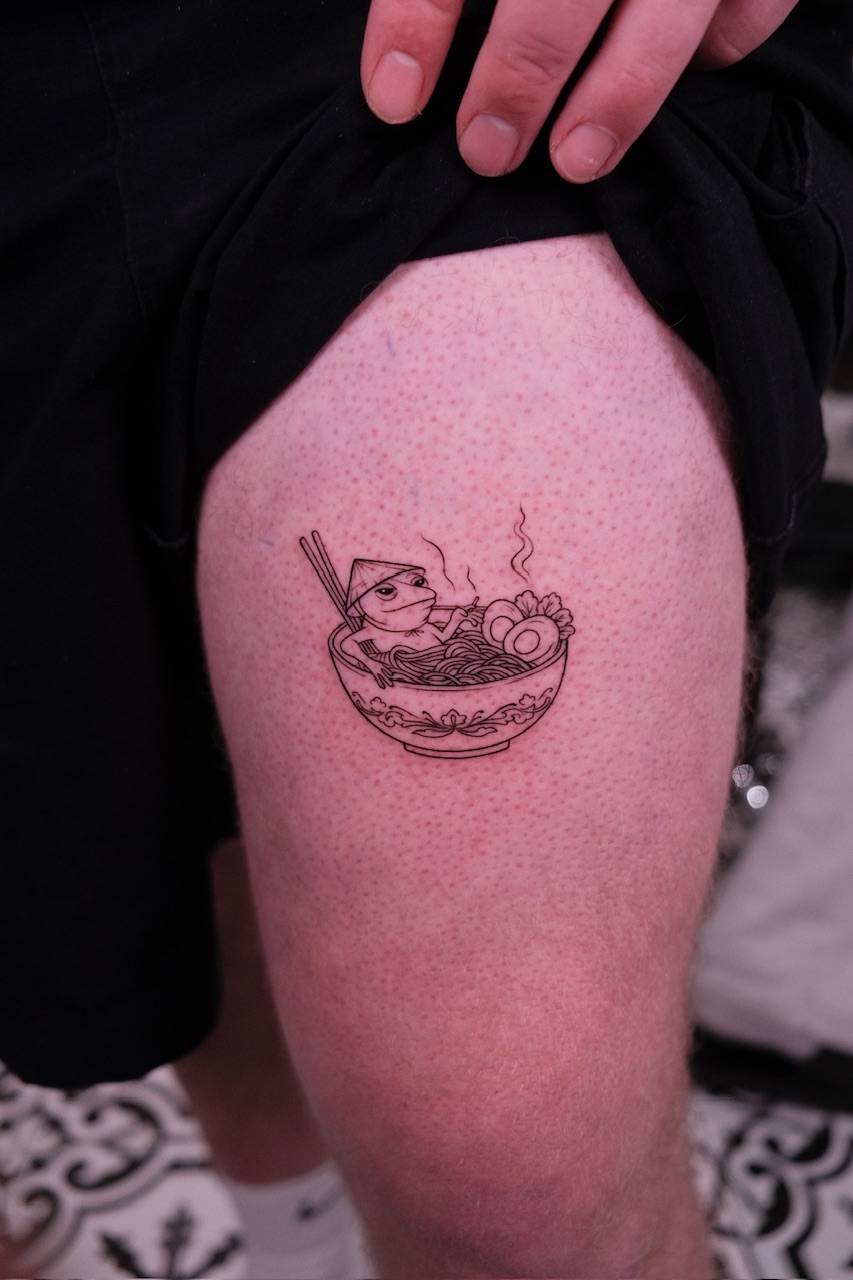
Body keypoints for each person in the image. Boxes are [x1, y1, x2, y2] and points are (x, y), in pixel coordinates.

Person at [2, 1, 852, 1277]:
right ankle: (296, 1246)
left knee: (509, 1171)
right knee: (182, 797)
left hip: (489, 72)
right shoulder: (395, 630)